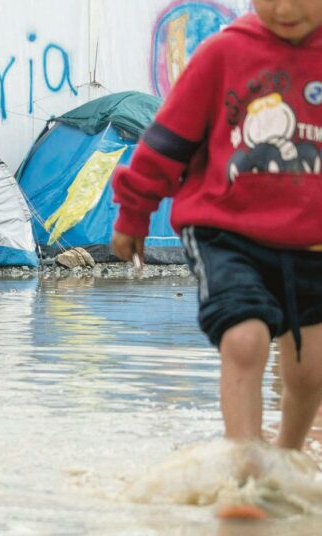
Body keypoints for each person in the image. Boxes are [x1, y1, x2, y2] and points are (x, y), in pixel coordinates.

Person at [111, 0, 322, 459]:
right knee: (244, 339)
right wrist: (134, 214)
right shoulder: (223, 54)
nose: (285, 8)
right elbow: (166, 142)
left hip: (313, 244)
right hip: (227, 233)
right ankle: (245, 467)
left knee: (311, 373)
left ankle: (287, 458)